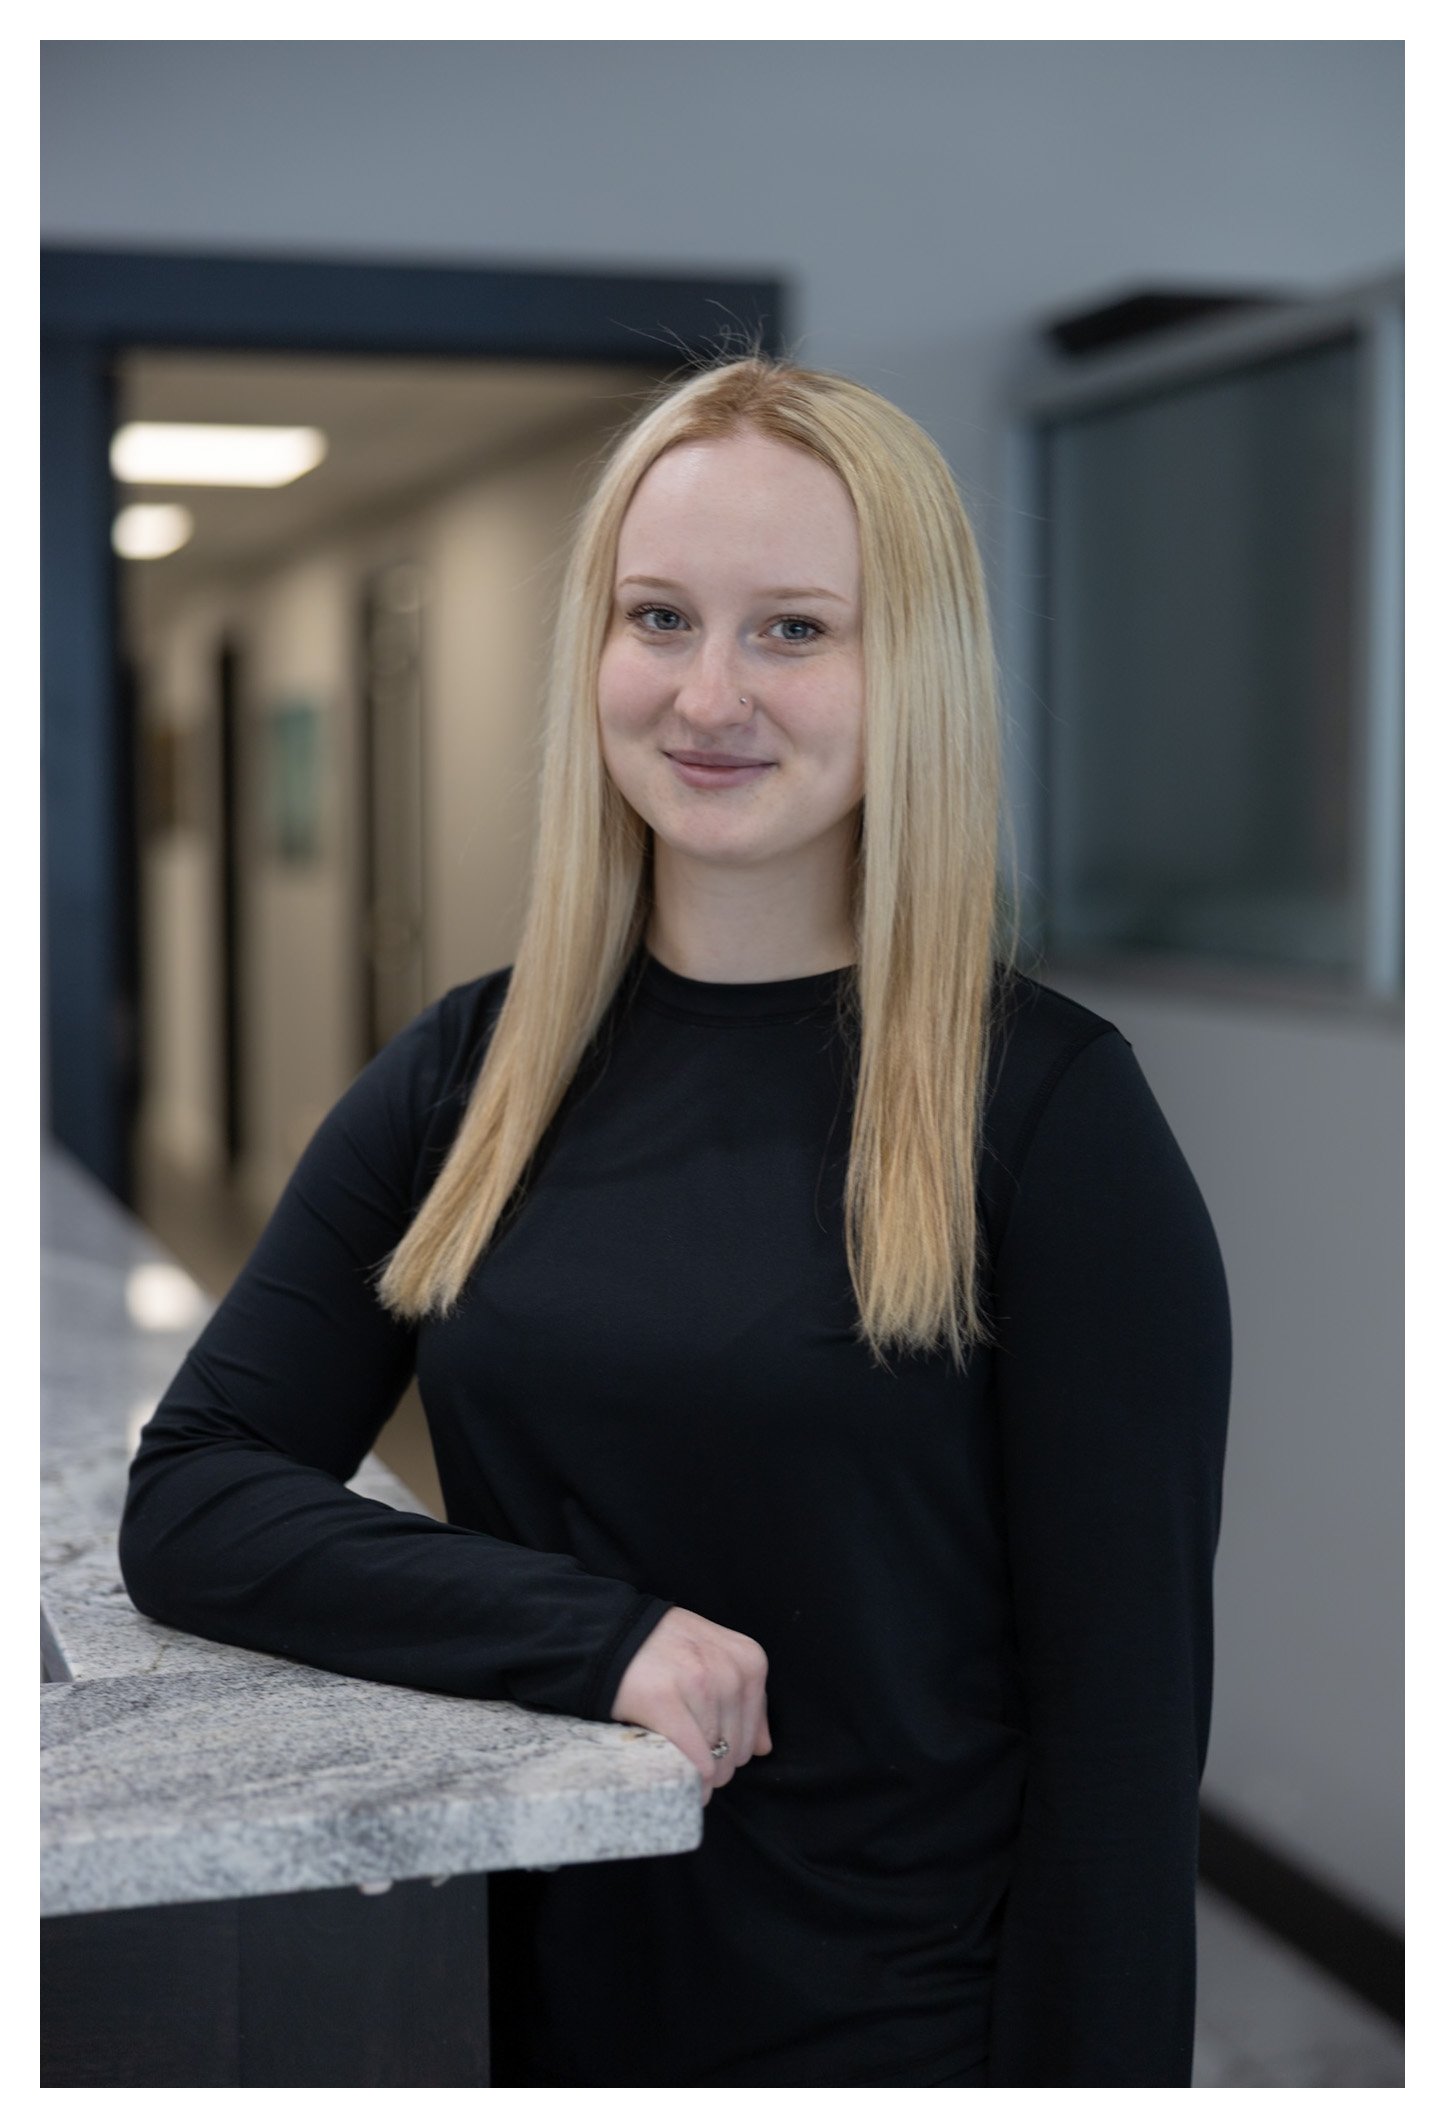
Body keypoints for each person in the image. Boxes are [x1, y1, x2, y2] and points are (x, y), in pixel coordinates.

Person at [119, 349, 1232, 2088]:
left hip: (882, 2037)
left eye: (793, 628)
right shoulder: (473, 1072)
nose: (710, 693)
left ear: (907, 671)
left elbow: (1120, 1757)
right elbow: (194, 1495)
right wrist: (604, 1635)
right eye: (658, 618)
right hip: (520, 2000)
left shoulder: (1044, 1119)